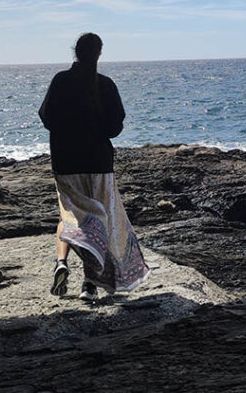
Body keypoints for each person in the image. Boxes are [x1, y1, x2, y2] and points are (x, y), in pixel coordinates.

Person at [38, 32, 149, 299]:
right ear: (99, 54)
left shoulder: (61, 81)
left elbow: (47, 118)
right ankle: (89, 283)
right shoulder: (106, 85)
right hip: (98, 162)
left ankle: (61, 263)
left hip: (66, 161)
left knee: (71, 216)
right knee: (99, 219)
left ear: (75, 51)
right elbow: (114, 128)